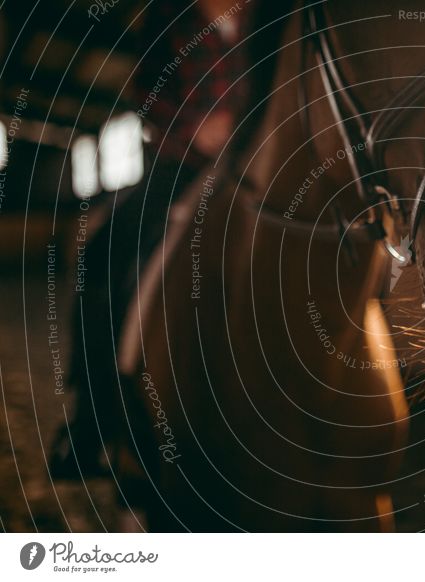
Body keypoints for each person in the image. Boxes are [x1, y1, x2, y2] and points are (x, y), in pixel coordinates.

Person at [50, 0, 250, 478]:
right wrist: (194, 129)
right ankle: (94, 419)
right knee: (103, 253)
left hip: (253, 161)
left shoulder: (272, 14)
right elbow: (147, 92)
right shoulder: (169, 14)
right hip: (179, 163)